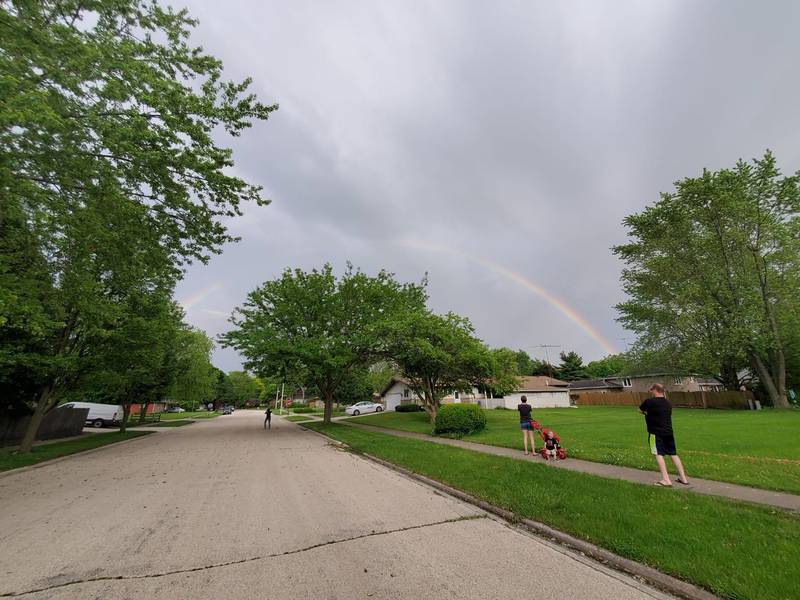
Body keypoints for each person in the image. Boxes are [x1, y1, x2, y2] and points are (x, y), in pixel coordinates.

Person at [639, 383, 689, 486]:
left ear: (655, 390)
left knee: (658, 454)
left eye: (651, 389)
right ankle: (683, 478)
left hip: (655, 432)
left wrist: (646, 413)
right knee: (673, 454)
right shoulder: (668, 403)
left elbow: (640, 410)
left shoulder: (649, 402)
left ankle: (666, 480)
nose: (651, 391)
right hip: (668, 432)